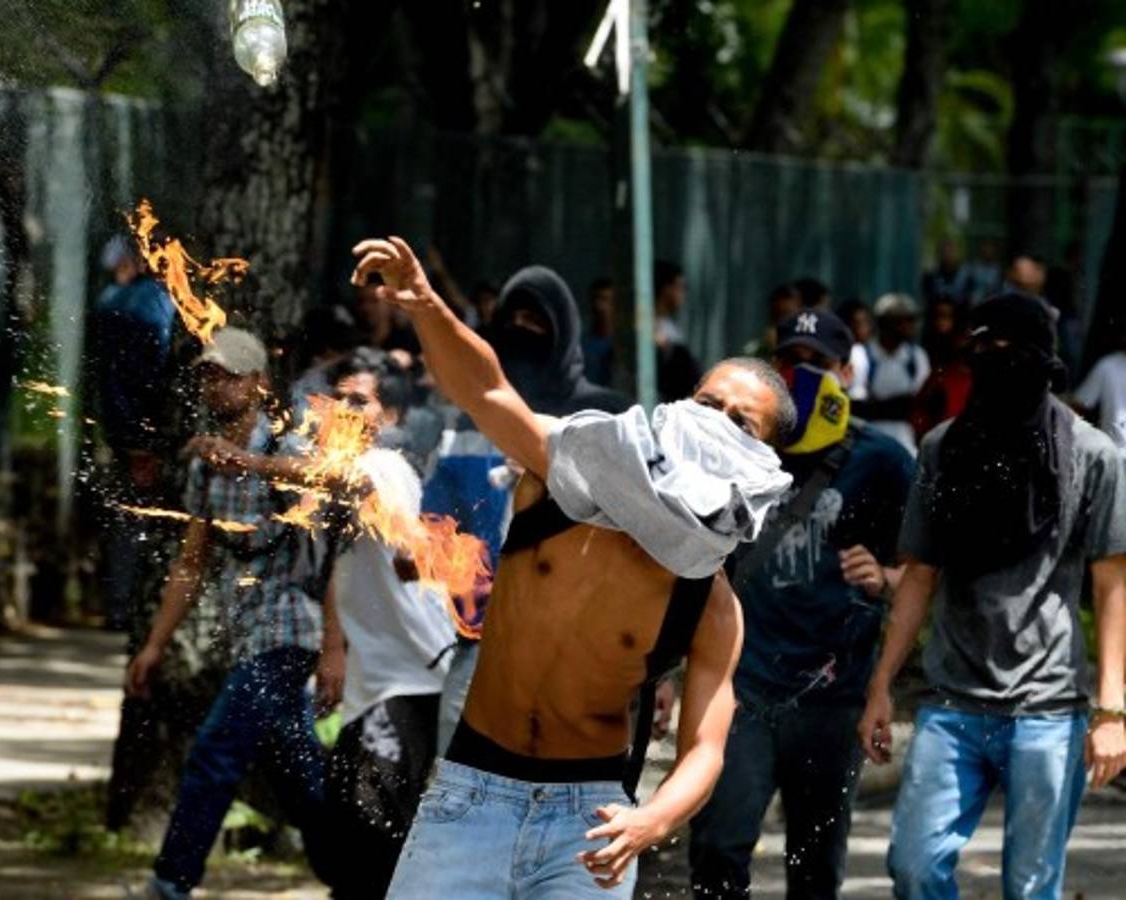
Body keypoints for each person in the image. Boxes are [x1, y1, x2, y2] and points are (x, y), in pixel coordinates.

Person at [348, 236, 796, 899]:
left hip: (588, 822)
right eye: (708, 404)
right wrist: (427, 305)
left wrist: (652, 820)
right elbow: (489, 391)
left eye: (742, 423)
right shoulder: (567, 478)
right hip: (470, 795)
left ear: (765, 460)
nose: (717, 424)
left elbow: (706, 746)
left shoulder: (711, 602)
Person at [857, 293, 1126, 900]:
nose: (996, 362)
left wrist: (1112, 710)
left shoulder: (1093, 456)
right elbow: (919, 572)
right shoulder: (944, 449)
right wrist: (880, 686)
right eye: (984, 350)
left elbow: (1112, 584)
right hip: (953, 701)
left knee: (1032, 888)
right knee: (913, 868)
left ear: (1042, 361)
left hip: (1049, 709)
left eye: (1011, 351)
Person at [691, 308, 914, 899]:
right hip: (742, 687)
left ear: (845, 370)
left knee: (815, 867)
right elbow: (691, 562)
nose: (803, 374)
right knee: (718, 848)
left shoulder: (883, 461)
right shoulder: (734, 445)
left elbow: (923, 571)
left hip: (831, 696)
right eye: (791, 362)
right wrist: (669, 673)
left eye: (819, 364)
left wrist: (886, 578)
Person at [125, 328, 329, 900]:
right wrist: (154, 645)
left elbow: (328, 490)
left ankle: (171, 881)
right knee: (301, 778)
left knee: (216, 752)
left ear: (259, 384)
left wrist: (252, 463)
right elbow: (191, 562)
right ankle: (361, 867)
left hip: (290, 631)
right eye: (209, 375)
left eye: (230, 374)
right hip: (246, 634)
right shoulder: (205, 467)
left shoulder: (287, 451)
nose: (217, 384)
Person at [425, 265, 633, 750]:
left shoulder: (606, 418)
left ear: (563, 332)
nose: (523, 332)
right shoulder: (467, 422)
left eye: (537, 322)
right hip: (483, 647)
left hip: (580, 652)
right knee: (458, 799)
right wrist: (471, 594)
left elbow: (633, 531)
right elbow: (435, 526)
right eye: (512, 320)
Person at [314, 353, 457, 899]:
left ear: (389, 417)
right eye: (338, 399)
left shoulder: (381, 468)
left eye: (360, 401)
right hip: (374, 681)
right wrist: (334, 648)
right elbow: (341, 566)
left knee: (376, 824)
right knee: (349, 828)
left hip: (417, 675)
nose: (345, 412)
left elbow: (350, 491)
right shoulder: (337, 481)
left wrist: (249, 463)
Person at [92, 236, 179, 629]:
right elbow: (142, 375)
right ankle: (130, 607)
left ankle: (121, 605)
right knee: (143, 521)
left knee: (130, 522)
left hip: (126, 431)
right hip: (147, 434)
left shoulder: (112, 300)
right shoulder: (152, 302)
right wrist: (143, 441)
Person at [858, 293, 930, 454]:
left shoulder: (917, 356)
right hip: (867, 439)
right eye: (902, 321)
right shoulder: (862, 354)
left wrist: (881, 406)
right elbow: (857, 406)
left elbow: (919, 404)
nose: (909, 326)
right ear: (884, 323)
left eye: (911, 320)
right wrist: (895, 405)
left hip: (906, 441)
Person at [912, 297, 973, 440]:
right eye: (936, 317)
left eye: (946, 317)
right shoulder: (936, 371)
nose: (940, 323)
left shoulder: (972, 373)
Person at [1072, 319, 1126, 457]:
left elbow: (1077, 409)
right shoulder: (1108, 366)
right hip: (1112, 457)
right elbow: (1078, 407)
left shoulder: (1107, 365)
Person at [655, 260, 703, 402]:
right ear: (667, 289)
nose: (683, 294)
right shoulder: (650, 329)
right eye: (680, 287)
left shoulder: (669, 327)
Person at [741, 283, 803, 360]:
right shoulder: (753, 350)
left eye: (788, 315)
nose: (783, 321)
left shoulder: (807, 352)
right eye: (778, 315)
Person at [582, 277, 617, 387]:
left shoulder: (626, 347)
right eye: (596, 299)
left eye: (606, 300)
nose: (600, 306)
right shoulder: (580, 346)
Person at [921, 239, 973, 308]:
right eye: (944, 251)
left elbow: (968, 301)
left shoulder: (966, 278)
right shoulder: (930, 277)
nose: (948, 255)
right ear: (939, 254)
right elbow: (927, 300)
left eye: (951, 251)